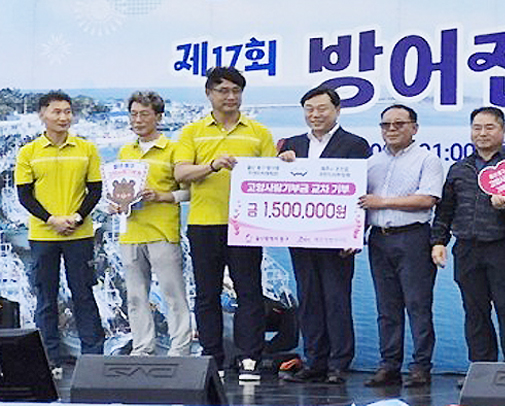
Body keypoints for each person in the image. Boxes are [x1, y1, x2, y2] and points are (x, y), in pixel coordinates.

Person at [174, 67, 277, 380]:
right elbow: (181, 173)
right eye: (223, 90)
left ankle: (250, 359)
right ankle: (212, 358)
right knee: (207, 294)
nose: (230, 96)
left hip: (247, 224)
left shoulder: (258, 132)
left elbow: (273, 176)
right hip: (204, 223)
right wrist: (212, 165)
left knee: (249, 293)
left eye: (236, 90)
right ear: (209, 93)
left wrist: (285, 163)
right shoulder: (192, 132)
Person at [277, 86, 370, 384]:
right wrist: (280, 162)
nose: (315, 114)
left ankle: (339, 364)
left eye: (322, 108)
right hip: (300, 236)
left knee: (336, 299)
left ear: (337, 110)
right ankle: (314, 361)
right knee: (308, 299)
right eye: (309, 109)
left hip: (337, 237)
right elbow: (277, 185)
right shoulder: (290, 144)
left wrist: (356, 235)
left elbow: (363, 190)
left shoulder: (355, 144)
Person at [431, 107, 505, 366]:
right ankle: (481, 368)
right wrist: (439, 241)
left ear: (503, 130)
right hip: (467, 248)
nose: (482, 133)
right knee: (474, 311)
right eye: (477, 128)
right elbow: (445, 209)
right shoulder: (459, 168)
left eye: (489, 127)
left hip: (504, 249)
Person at [14, 90, 105, 376]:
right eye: (57, 111)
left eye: (67, 112)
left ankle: (93, 356)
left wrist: (76, 217)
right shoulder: (28, 152)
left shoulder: (86, 149)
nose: (63, 117)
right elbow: (24, 196)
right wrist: (51, 220)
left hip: (79, 234)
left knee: (83, 295)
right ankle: (49, 358)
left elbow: (96, 190)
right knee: (46, 298)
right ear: (42, 114)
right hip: (43, 236)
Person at [359, 104, 443, 388]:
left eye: (399, 124)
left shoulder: (427, 159)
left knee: (418, 305)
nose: (391, 129)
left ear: (414, 128)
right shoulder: (371, 163)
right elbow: (360, 205)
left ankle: (421, 367)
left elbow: (427, 199)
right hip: (379, 239)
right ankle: (389, 366)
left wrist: (382, 202)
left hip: (413, 237)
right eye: (386, 125)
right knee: (386, 307)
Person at [114, 91, 192, 356]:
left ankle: (179, 349)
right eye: (133, 114)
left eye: (144, 114)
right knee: (135, 297)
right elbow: (117, 189)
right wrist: (115, 204)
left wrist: (161, 196)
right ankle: (142, 348)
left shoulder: (174, 150)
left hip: (162, 232)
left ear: (158, 117)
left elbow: (188, 193)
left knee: (173, 294)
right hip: (130, 232)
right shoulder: (126, 150)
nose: (138, 120)